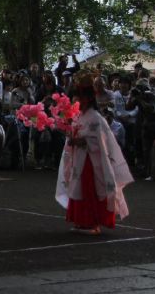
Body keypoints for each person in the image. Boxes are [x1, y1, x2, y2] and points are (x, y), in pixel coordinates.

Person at [55, 83, 132, 235]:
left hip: (91, 161)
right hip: (79, 159)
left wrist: (81, 141)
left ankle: (93, 222)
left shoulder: (96, 118)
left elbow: (101, 142)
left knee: (90, 189)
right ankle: (81, 220)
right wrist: (71, 137)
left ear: (88, 99)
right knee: (78, 188)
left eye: (80, 97)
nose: (77, 100)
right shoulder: (79, 116)